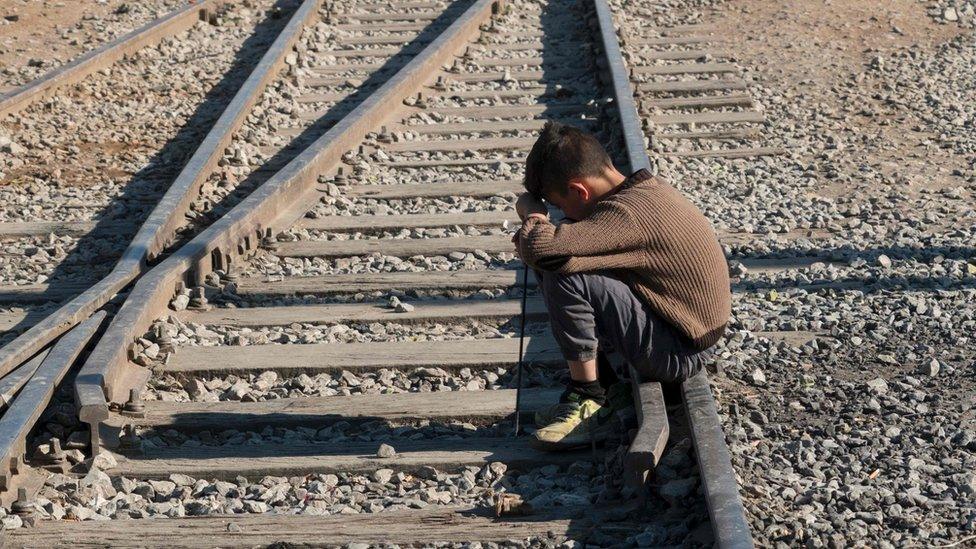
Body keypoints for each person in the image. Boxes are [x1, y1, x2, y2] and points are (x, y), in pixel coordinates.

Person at [513, 121, 731, 450]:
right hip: (681, 332)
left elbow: (539, 248)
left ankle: (589, 397)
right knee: (562, 259)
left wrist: (534, 216)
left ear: (579, 190)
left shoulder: (627, 215)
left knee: (561, 270)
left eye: (560, 206)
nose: (561, 214)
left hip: (679, 351)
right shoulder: (642, 191)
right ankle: (610, 387)